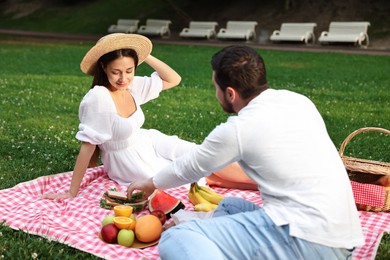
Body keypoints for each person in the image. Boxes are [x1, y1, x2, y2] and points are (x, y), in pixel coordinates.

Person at [127, 45, 364, 259]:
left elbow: (190, 167)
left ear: (230, 93)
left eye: (215, 88)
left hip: (310, 242)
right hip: (344, 236)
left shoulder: (239, 129)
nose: (216, 93)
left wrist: (150, 183)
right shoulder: (298, 101)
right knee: (231, 207)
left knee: (176, 238)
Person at [43, 33, 255, 200]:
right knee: (199, 174)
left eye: (129, 70)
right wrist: (72, 191)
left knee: (200, 156)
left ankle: (267, 181)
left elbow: (173, 79)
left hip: (148, 140)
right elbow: (87, 146)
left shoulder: (132, 85)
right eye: (116, 71)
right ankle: (266, 182)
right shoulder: (98, 98)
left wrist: (144, 55)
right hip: (126, 161)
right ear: (103, 67)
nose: (123, 78)